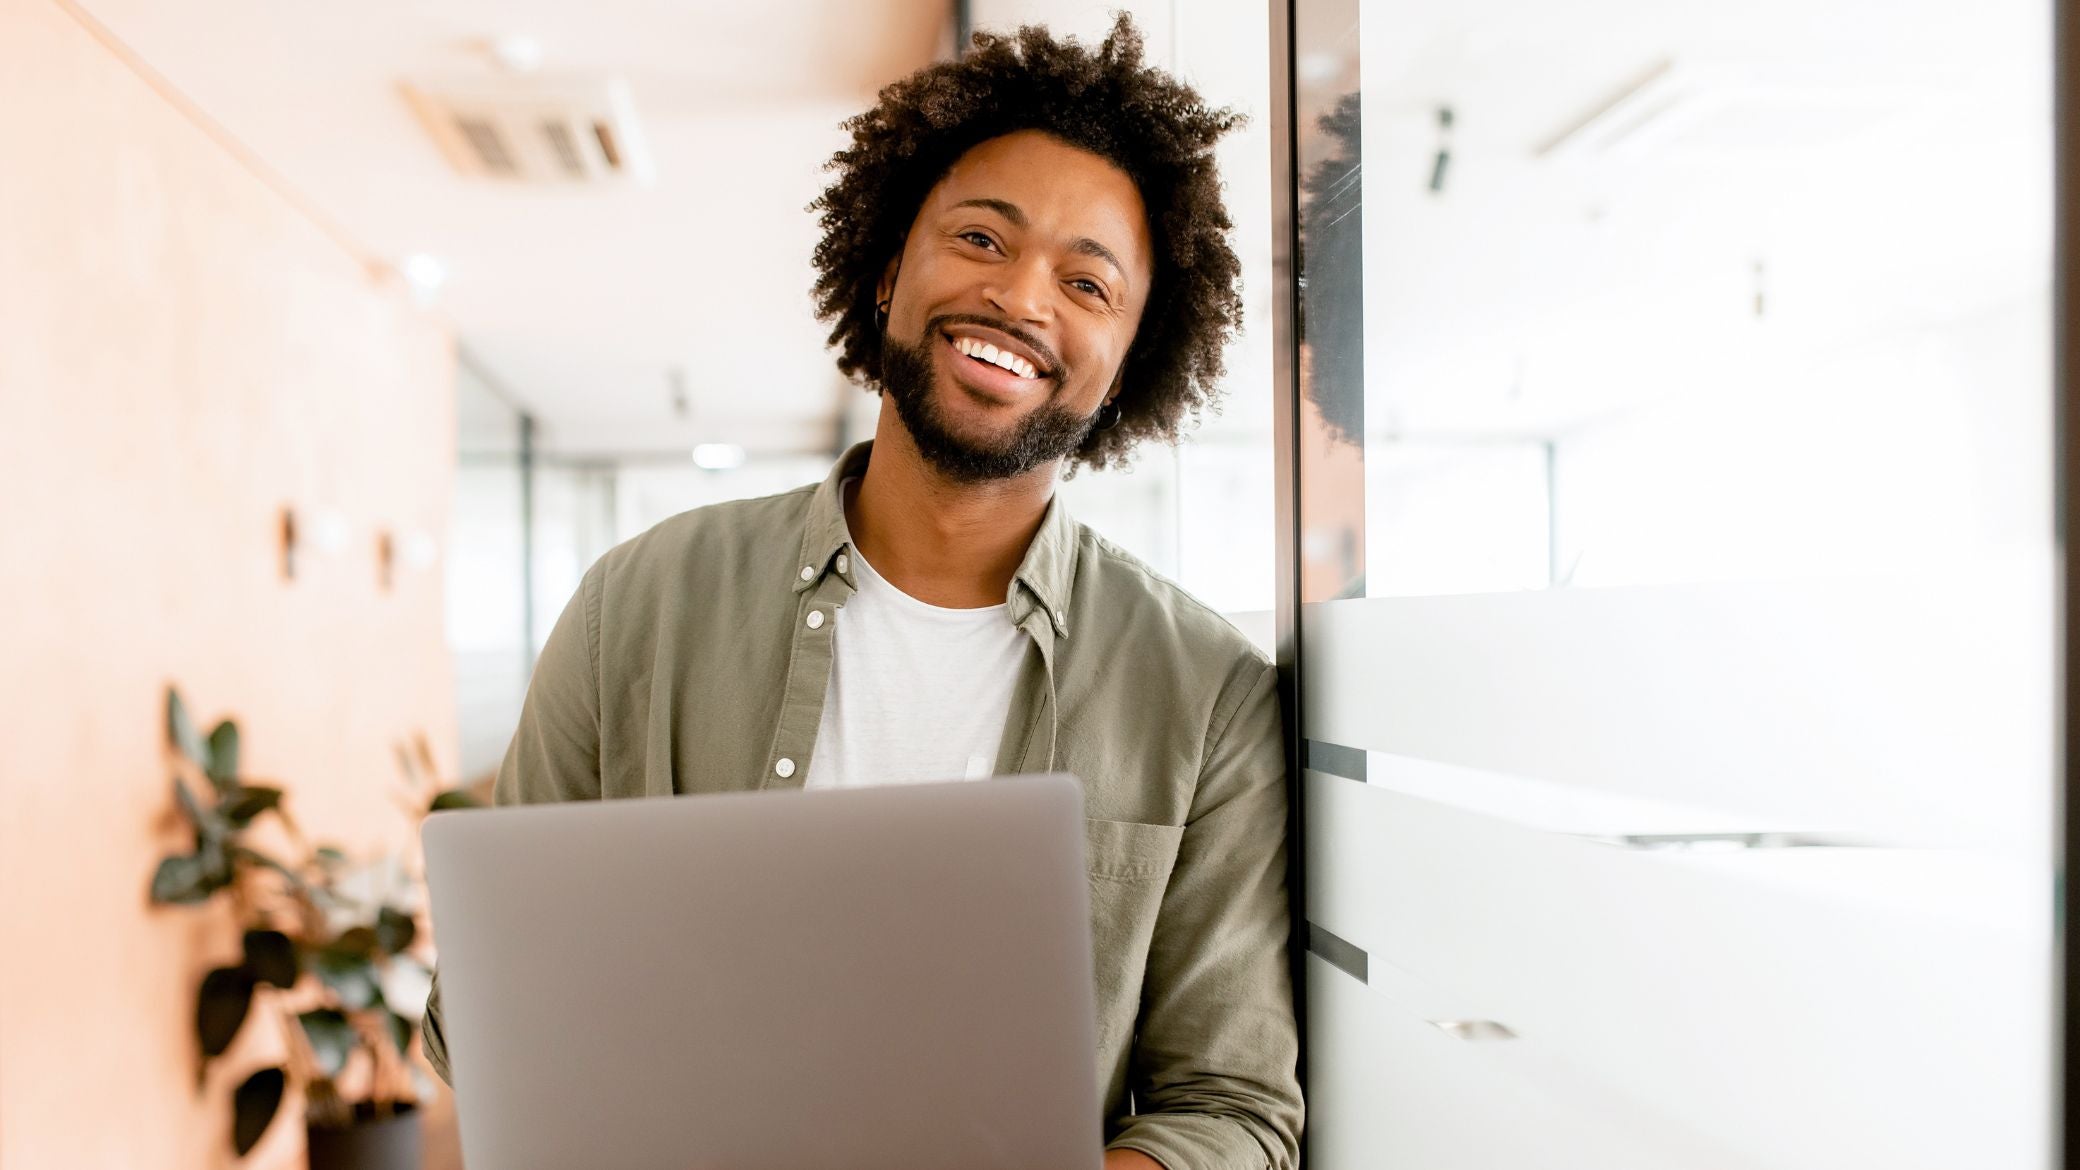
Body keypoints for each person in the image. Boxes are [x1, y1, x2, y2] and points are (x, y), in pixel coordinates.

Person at [424, 16, 1301, 1168]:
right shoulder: (639, 603)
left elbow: (1233, 1111)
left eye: (1087, 281)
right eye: (981, 238)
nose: (1022, 298)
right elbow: (479, 1027)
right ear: (890, 268)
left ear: (1130, 358)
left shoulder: (1204, 693)